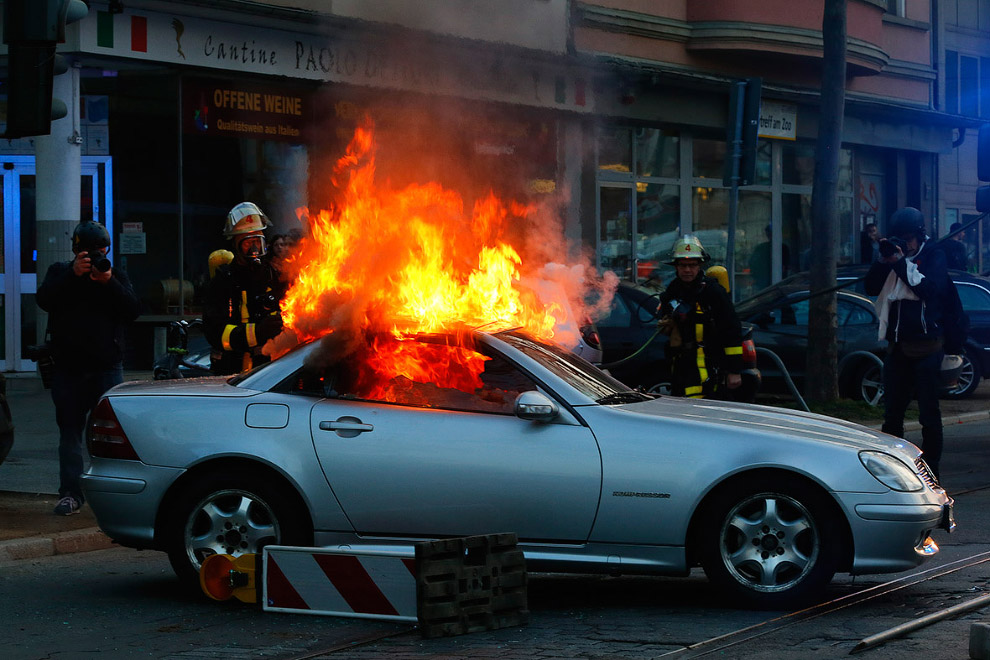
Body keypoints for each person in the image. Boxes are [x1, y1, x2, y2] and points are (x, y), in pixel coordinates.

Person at [36, 221, 141, 515]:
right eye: (89, 252)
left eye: (100, 251)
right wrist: (72, 274)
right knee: (69, 433)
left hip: (107, 368)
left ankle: (113, 495)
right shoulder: (60, 272)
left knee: (113, 437)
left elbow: (133, 309)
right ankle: (70, 493)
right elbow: (44, 299)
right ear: (76, 252)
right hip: (69, 370)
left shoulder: (115, 275)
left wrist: (109, 282)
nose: (95, 257)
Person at [864, 207, 949, 478]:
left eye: (910, 238)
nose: (906, 244)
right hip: (898, 347)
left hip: (927, 346)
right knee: (892, 414)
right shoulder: (893, 256)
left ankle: (931, 469)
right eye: (901, 238)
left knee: (928, 414)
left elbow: (929, 290)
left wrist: (901, 263)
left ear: (920, 235)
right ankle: (891, 469)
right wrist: (883, 260)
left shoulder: (933, 254)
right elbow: (871, 288)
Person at [657, 234, 744, 399]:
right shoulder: (672, 292)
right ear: (676, 267)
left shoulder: (713, 292)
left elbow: (731, 330)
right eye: (683, 265)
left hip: (709, 365)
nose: (687, 270)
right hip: (681, 366)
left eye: (692, 265)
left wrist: (734, 371)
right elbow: (667, 320)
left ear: (700, 265)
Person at [204, 202, 285, 375]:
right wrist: (258, 332)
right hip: (232, 372)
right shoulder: (223, 281)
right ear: (236, 245)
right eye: (248, 243)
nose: (255, 249)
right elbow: (216, 333)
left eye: (258, 241)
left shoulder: (274, 276)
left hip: (271, 371)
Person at [748, 224, 790, 293]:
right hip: (763, 285)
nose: (770, 236)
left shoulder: (783, 248)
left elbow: (785, 266)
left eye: (771, 233)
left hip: (779, 285)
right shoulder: (761, 248)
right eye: (769, 234)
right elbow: (752, 263)